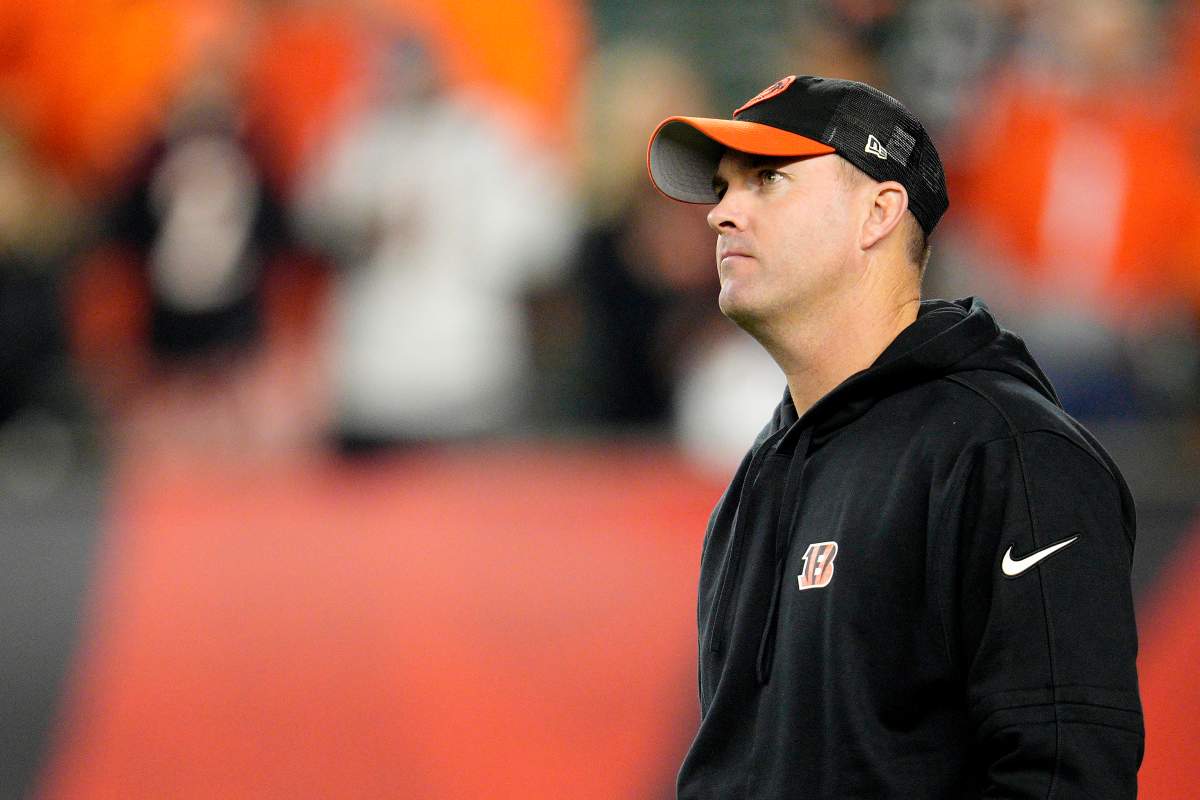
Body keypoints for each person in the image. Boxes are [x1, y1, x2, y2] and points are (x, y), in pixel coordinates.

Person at [646, 75, 1143, 798]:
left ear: (878, 212)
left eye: (768, 179)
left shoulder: (1011, 453)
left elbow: (1066, 774)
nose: (721, 213)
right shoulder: (763, 472)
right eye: (723, 188)